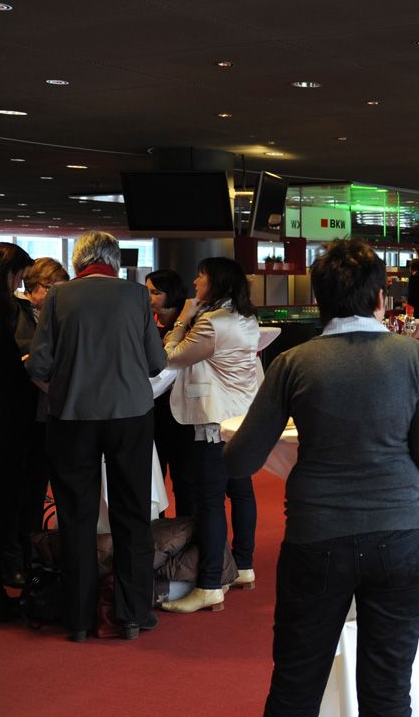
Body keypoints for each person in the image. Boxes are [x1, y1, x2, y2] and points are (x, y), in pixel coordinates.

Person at [224, 237, 419, 715]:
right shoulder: (412, 357)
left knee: (295, 688)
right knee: (388, 693)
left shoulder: (293, 363)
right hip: (402, 537)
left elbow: (240, 461)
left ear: (318, 299)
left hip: (317, 537)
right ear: (380, 298)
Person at [27, 231, 167, 641]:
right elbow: (156, 362)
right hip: (131, 416)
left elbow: (38, 364)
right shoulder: (137, 295)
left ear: (78, 261)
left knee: (76, 516)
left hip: (72, 416)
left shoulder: (58, 296)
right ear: (114, 260)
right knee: (132, 513)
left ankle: (78, 619)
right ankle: (133, 614)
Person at [159, 258, 261, 613]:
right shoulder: (246, 317)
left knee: (210, 502)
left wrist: (182, 320)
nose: (195, 281)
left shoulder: (211, 322)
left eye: (201, 276)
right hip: (240, 418)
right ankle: (243, 566)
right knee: (241, 491)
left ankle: (209, 584)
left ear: (214, 282)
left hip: (213, 422)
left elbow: (170, 357)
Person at [0, 242, 35, 622]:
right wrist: (28, 366)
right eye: (18, 277)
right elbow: (6, 374)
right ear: (5, 273)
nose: (19, 286)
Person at [9, 257, 69, 584]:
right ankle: (22, 557)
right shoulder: (21, 313)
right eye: (52, 288)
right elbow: (27, 362)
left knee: (39, 485)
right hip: (28, 413)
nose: (58, 295)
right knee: (28, 488)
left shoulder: (50, 314)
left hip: (47, 410)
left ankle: (33, 553)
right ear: (34, 287)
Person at [145, 268, 195, 517]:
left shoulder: (189, 327)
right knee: (153, 482)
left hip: (180, 415)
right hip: (151, 412)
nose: (149, 297)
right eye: (147, 291)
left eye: (156, 292)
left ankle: (186, 534)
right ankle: (158, 535)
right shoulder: (147, 323)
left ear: (172, 293)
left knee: (184, 481)